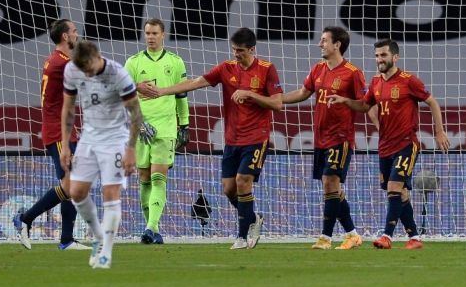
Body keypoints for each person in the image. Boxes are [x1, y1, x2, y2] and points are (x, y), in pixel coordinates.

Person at [151, 27, 282, 249]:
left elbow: (277, 103)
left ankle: (242, 237)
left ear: (252, 49)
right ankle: (253, 219)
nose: (236, 54)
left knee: (243, 181)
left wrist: (250, 94)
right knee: (229, 189)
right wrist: (162, 91)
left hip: (257, 136)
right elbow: (195, 83)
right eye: (233, 49)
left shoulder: (267, 69)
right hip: (232, 139)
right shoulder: (226, 68)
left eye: (240, 50)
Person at [328, 38, 449, 249]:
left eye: (383, 55)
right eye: (376, 56)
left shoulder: (409, 81)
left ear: (395, 57)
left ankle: (386, 236)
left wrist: (439, 132)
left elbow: (432, 102)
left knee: (394, 186)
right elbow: (365, 106)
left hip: (406, 144)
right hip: (385, 146)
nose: (379, 59)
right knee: (399, 192)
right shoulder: (375, 82)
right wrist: (345, 100)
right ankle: (414, 237)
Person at [60, 40, 143, 269]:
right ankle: (98, 235)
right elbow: (68, 108)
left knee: (111, 192)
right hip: (88, 137)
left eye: (89, 68)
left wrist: (131, 149)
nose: (87, 73)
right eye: (83, 69)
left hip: (115, 139)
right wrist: (65, 145)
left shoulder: (119, 74)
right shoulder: (72, 69)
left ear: (98, 57)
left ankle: (106, 252)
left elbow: (136, 114)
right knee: (75, 192)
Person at [282, 26, 366, 250]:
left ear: (337, 44)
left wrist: (345, 101)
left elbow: (365, 105)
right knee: (331, 188)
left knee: (330, 181)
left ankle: (325, 238)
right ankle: (353, 234)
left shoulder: (352, 72)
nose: (320, 44)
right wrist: (275, 99)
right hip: (321, 138)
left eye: (324, 40)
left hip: (341, 137)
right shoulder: (318, 69)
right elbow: (302, 93)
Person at [13, 19, 90, 251]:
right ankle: (26, 218)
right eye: (74, 32)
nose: (77, 35)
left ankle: (66, 240)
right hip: (59, 133)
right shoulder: (63, 64)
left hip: (62, 130)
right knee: (72, 185)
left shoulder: (55, 60)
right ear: (65, 37)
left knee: (71, 185)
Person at [125, 18, 190, 245]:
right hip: (141, 127)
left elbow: (182, 96)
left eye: (155, 33)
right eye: (147, 33)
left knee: (158, 177)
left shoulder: (175, 62)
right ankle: (152, 229)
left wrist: (184, 124)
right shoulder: (133, 63)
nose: (150, 37)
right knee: (144, 179)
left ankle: (151, 227)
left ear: (163, 35)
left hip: (165, 128)